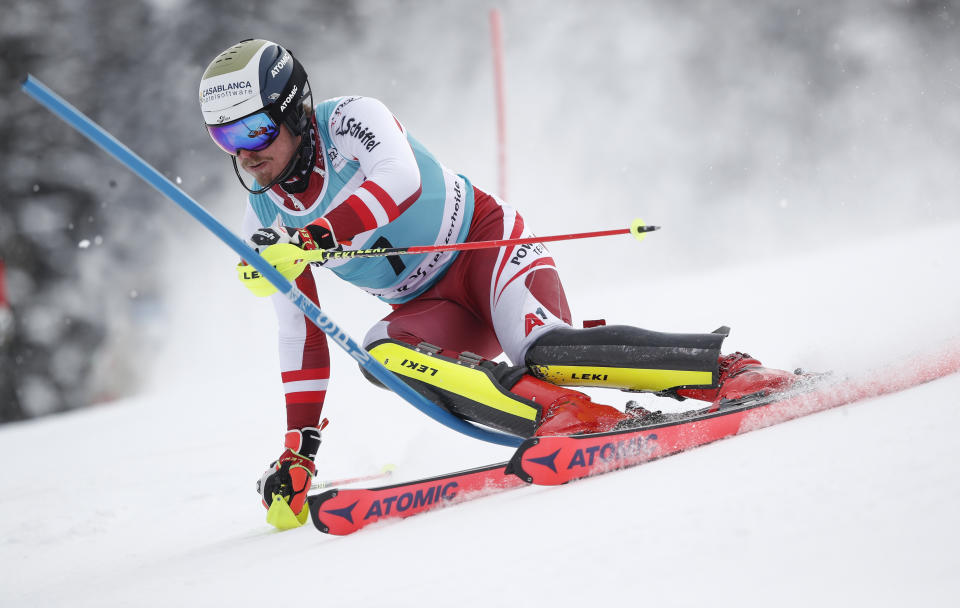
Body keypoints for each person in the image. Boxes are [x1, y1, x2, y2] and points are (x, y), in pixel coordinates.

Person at [199, 39, 801, 528]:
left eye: (253, 131)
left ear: (296, 111)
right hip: (427, 306)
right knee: (380, 357)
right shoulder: (265, 219)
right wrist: (298, 449)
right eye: (226, 138)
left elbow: (398, 178)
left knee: (543, 350)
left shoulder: (353, 119)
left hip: (485, 247)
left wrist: (315, 237)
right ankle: (564, 414)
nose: (245, 156)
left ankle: (723, 369)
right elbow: (299, 335)